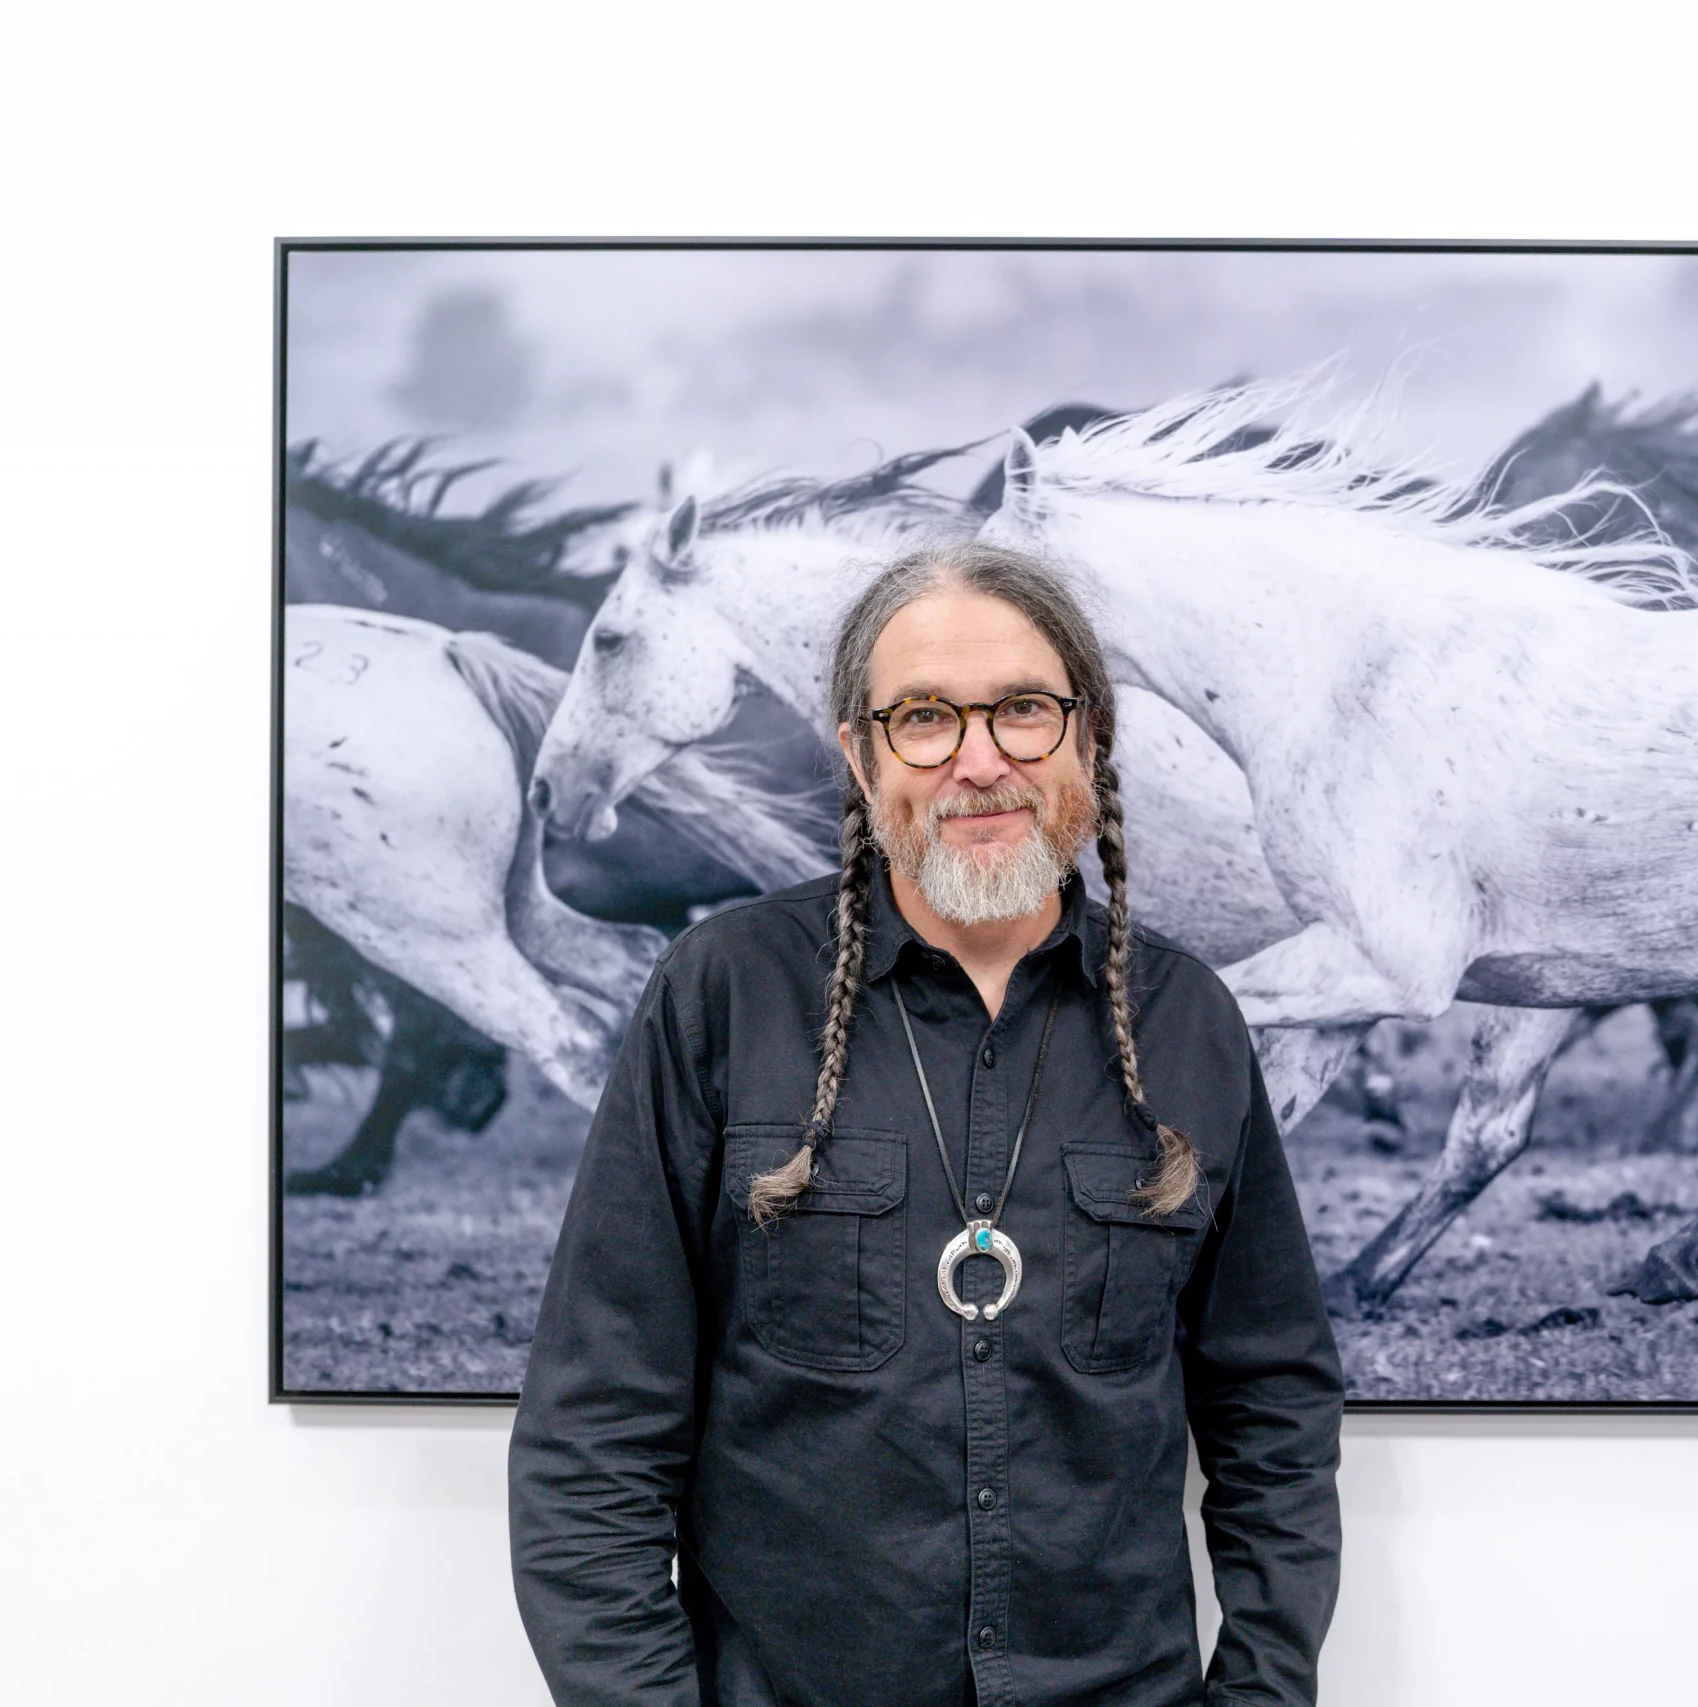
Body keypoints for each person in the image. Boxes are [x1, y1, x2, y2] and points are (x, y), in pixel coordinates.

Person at [510, 541, 1343, 1706]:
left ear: (1090, 738)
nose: (978, 760)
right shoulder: (724, 994)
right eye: (923, 719)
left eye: (1023, 710)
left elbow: (1272, 1413)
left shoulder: (1191, 1020)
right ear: (860, 756)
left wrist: (1258, 1692)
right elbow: (594, 1433)